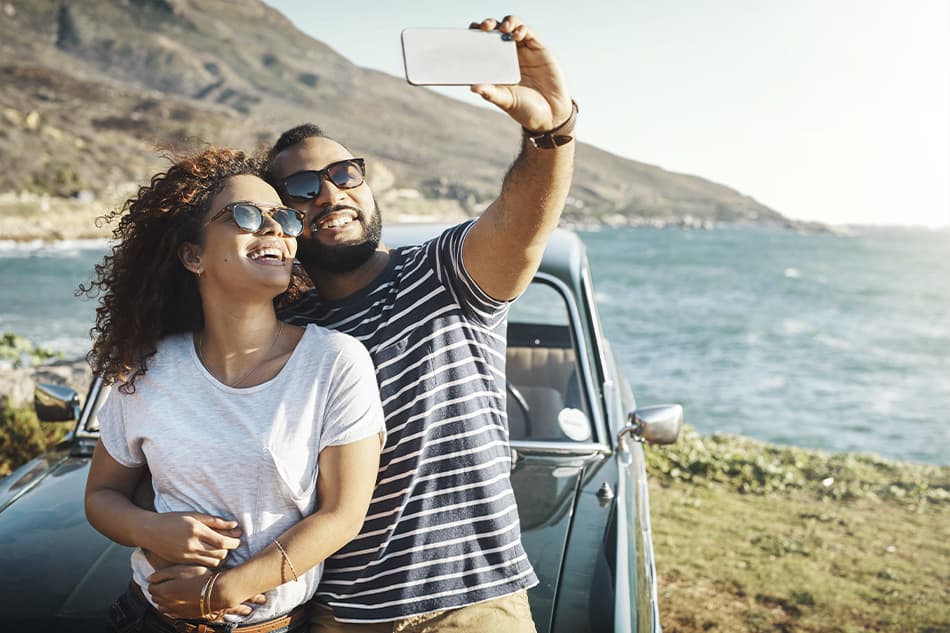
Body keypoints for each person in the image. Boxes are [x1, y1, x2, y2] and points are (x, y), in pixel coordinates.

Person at [262, 16, 576, 631]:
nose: (328, 195)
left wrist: (552, 132)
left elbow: (522, 223)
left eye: (343, 174)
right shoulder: (283, 321)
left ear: (366, 181)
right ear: (283, 215)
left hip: (470, 605)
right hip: (337, 613)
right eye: (301, 187)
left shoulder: (443, 271)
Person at [82, 148, 386, 632]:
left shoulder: (334, 361)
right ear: (193, 255)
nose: (274, 230)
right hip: (148, 619)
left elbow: (342, 515)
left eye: (283, 218)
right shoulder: (146, 369)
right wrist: (153, 529)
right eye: (244, 215)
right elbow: (101, 495)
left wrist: (224, 589)